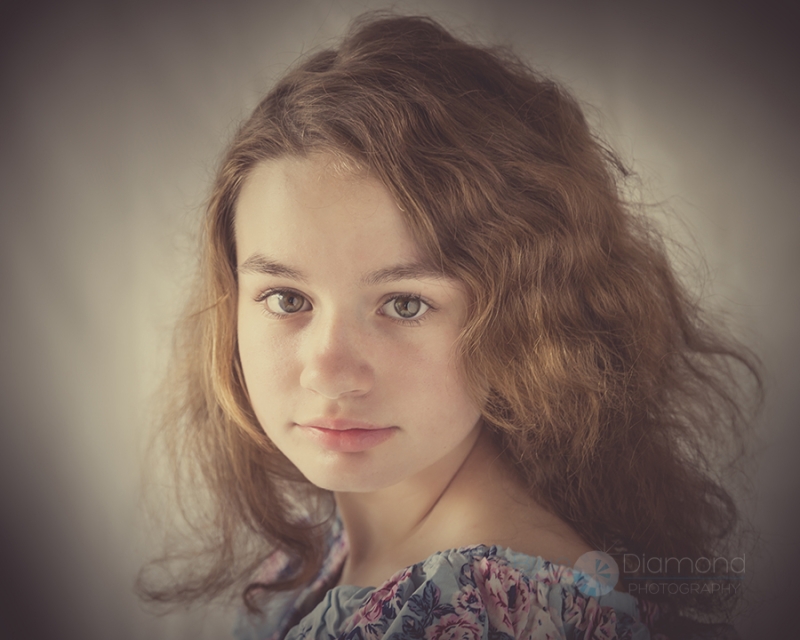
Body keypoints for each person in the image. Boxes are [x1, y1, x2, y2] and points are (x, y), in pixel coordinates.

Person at [138, 13, 761, 640]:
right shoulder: (321, 547)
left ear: (525, 320)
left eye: (405, 304)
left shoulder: (492, 615)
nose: (328, 371)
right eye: (285, 298)